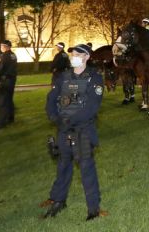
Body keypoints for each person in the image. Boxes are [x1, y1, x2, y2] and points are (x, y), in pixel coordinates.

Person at [44, 44, 104, 220]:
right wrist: (55, 118)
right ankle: (58, 200)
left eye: (77, 54)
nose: (73, 57)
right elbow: (51, 99)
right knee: (63, 165)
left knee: (86, 168)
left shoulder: (94, 78)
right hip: (63, 129)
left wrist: (70, 121)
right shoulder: (64, 76)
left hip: (82, 130)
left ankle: (93, 208)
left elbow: (92, 107)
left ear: (86, 57)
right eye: (72, 54)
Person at [0, 39, 17, 128]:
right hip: (11, 80)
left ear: (5, 47)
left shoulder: (4, 56)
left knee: (2, 101)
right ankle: (11, 118)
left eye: (1, 46)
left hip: (4, 81)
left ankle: (1, 122)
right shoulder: (13, 55)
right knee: (9, 99)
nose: (0, 48)